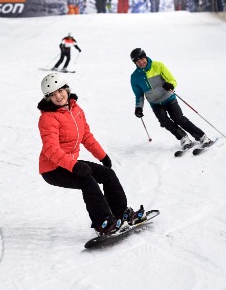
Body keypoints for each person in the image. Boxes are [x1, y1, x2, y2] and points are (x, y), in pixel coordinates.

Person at [37, 73, 145, 235]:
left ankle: (121, 213)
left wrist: (102, 156)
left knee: (108, 174)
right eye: (52, 94)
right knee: (87, 181)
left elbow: (85, 135)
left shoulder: (76, 110)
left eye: (60, 91)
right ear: (48, 98)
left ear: (66, 89)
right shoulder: (48, 118)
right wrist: (74, 166)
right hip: (52, 169)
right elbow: (50, 149)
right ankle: (104, 223)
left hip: (70, 163)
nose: (58, 96)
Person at [129, 48, 211, 149]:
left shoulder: (158, 65)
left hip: (168, 97)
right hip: (155, 103)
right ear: (135, 63)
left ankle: (202, 137)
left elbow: (172, 80)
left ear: (145, 56)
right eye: (138, 61)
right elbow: (139, 95)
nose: (141, 62)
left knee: (179, 118)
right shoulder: (134, 77)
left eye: (142, 59)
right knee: (164, 122)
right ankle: (183, 138)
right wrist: (138, 107)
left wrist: (170, 85)